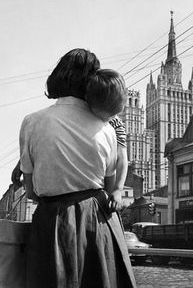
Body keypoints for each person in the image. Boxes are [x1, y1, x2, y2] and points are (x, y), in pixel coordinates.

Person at [19, 49, 136, 288]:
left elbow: (31, 191)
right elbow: (110, 186)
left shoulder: (32, 122)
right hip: (97, 222)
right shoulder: (108, 130)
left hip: (51, 223)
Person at [85, 69, 128, 213]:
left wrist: (118, 190)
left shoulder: (116, 123)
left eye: (114, 114)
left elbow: (122, 159)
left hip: (105, 181)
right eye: (105, 115)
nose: (109, 118)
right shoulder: (82, 113)